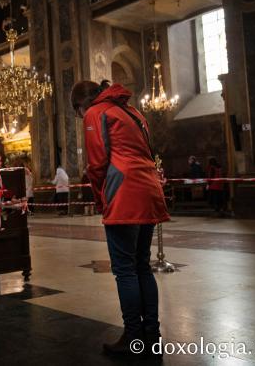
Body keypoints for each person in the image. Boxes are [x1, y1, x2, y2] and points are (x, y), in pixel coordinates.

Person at [71, 80, 169, 357]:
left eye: (77, 112)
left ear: (81, 105)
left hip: (124, 194)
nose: (80, 117)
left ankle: (133, 338)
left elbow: (97, 164)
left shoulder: (95, 113)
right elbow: (149, 152)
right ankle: (152, 336)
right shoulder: (133, 112)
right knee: (142, 266)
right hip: (148, 190)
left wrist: (101, 200)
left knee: (125, 269)